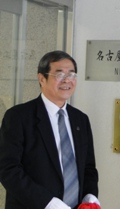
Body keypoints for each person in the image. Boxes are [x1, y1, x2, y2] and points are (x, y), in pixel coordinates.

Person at [0, 51, 100, 209]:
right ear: (42, 78)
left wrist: (90, 196)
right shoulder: (19, 116)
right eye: (59, 74)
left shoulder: (80, 119)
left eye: (72, 74)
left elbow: (88, 168)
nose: (67, 80)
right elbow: (8, 170)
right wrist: (48, 203)